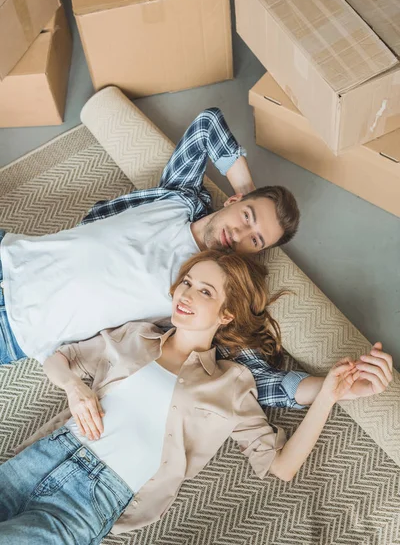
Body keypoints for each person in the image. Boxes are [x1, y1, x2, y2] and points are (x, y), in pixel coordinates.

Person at [0, 108, 391, 408]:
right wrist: (248, 189)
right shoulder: (179, 196)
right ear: (234, 200)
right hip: (9, 252)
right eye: (246, 217)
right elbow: (208, 124)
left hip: (16, 328)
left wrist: (334, 390)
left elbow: (260, 379)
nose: (239, 235)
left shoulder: (208, 290)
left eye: (255, 241)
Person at [0, 250, 392, 543]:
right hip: (44, 455)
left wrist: (329, 395)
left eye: (204, 291)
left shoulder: (233, 384)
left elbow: (280, 467)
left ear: (226, 315)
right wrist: (75, 387)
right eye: (186, 281)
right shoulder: (137, 334)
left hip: (97, 497)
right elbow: (59, 359)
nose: (185, 294)